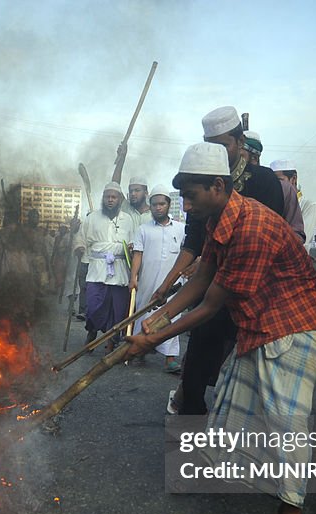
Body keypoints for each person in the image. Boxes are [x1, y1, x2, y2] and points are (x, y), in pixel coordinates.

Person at [124, 142, 316, 514]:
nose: (185, 203)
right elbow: (202, 276)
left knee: (287, 422)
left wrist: (153, 338)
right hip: (258, 324)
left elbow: (212, 304)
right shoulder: (220, 217)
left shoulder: (252, 226)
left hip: (297, 326)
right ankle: (235, 476)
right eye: (181, 194)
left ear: (218, 185)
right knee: (234, 407)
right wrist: (158, 317)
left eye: (191, 194)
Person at [149, 106, 289, 415]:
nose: (187, 206)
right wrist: (167, 288)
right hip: (214, 287)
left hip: (257, 298)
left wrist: (156, 336)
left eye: (223, 145)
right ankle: (193, 422)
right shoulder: (201, 194)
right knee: (197, 363)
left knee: (253, 382)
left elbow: (258, 249)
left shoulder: (262, 187)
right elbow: (196, 245)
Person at [129, 185, 185, 373]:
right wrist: (133, 278)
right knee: (143, 313)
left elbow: (188, 255)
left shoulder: (181, 229)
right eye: (154, 204)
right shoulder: (143, 229)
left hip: (173, 284)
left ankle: (170, 359)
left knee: (172, 316)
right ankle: (140, 350)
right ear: (150, 206)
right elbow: (137, 254)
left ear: (169, 205)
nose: (158, 207)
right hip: (148, 281)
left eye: (162, 204)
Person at [77, 183, 138, 350]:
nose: (110, 200)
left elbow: (134, 242)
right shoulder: (92, 217)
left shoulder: (128, 219)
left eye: (114, 197)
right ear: (103, 199)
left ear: (120, 199)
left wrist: (132, 249)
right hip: (97, 269)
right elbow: (81, 238)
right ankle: (92, 332)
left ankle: (112, 340)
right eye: (107, 197)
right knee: (93, 306)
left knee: (118, 309)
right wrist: (79, 247)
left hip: (120, 270)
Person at [268, 160, 308, 243]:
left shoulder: (310, 206)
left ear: (293, 179)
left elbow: (301, 237)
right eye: (273, 182)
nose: (276, 185)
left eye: (279, 181)